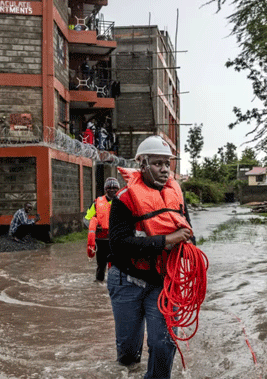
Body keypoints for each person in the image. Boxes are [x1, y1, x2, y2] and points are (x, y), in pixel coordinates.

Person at [107, 135, 195, 378]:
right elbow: (120, 244)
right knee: (128, 353)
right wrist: (166, 241)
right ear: (142, 164)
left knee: (163, 342)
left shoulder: (176, 197)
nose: (165, 169)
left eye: (167, 163)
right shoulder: (124, 200)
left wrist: (188, 247)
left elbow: (188, 235)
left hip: (163, 282)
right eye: (158, 163)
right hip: (128, 279)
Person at [84, 177, 121, 281]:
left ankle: (113, 285)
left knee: (116, 266)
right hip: (101, 241)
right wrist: (94, 228)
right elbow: (86, 219)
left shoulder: (122, 203)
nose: (112, 190)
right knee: (101, 266)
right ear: (106, 189)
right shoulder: (96, 203)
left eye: (115, 188)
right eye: (109, 188)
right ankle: (99, 285)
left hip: (116, 240)